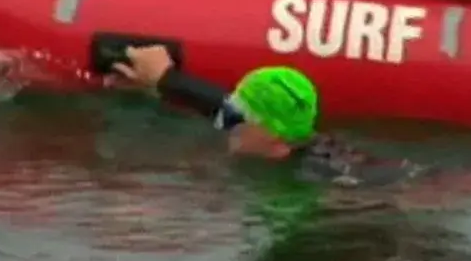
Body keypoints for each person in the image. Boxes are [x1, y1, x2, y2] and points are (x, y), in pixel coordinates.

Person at [108, 45, 425, 187]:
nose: (229, 116)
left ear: (273, 135)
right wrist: (161, 82)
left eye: (240, 111)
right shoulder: (280, 134)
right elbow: (223, 111)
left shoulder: (310, 180)